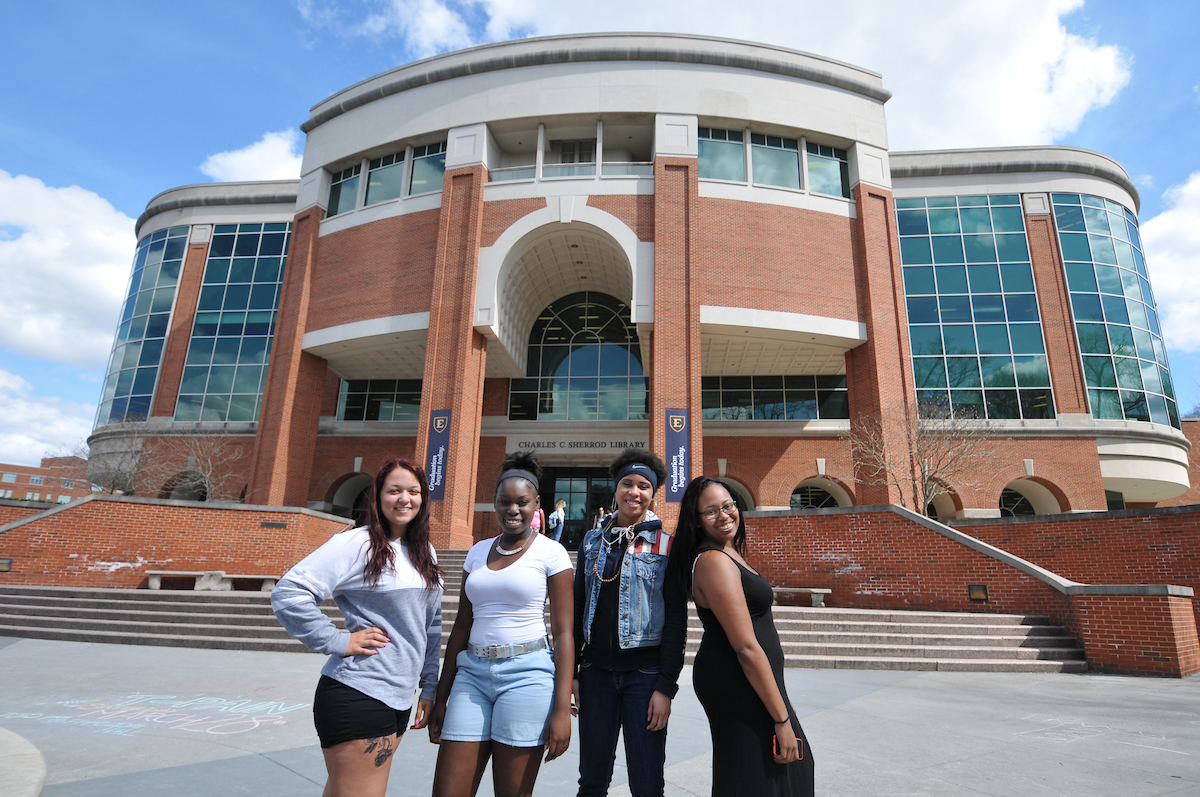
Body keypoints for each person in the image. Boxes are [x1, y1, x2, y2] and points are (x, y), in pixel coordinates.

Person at [272, 458, 442, 797]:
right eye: (394, 490)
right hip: (359, 693)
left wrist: (429, 685)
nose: (404, 498)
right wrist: (337, 640)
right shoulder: (355, 544)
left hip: (397, 697)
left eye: (413, 491)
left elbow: (430, 624)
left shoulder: (425, 552)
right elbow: (288, 593)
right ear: (377, 497)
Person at [428, 451, 574, 797]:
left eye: (522, 502)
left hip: (527, 676)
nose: (513, 510)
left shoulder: (551, 553)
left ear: (537, 504)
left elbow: (565, 634)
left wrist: (562, 708)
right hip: (471, 677)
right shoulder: (477, 551)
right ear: (493, 503)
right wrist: (441, 696)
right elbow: (462, 627)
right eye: (504, 502)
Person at [670, 476, 814, 797]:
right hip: (736, 682)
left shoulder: (728, 552)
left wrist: (782, 702)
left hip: (752, 682)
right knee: (755, 777)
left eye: (728, 506)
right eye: (710, 511)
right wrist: (781, 719)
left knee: (786, 772)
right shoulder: (713, 562)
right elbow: (747, 647)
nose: (723, 516)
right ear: (696, 520)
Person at [573, 449, 686, 797]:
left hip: (645, 679)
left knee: (647, 780)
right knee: (592, 779)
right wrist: (575, 673)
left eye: (643, 486)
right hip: (595, 676)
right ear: (616, 488)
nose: (633, 492)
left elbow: (676, 622)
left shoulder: (667, 546)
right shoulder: (592, 541)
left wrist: (666, 687)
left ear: (653, 494)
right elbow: (578, 608)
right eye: (627, 483)